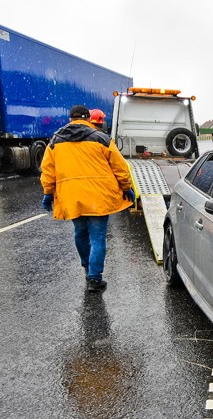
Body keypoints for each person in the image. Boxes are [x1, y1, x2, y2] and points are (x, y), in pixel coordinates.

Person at [40, 105, 135, 292]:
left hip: (72, 196)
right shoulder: (102, 138)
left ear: (70, 119)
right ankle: (94, 278)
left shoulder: (55, 141)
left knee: (80, 233)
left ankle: (86, 266)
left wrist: (48, 193)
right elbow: (120, 167)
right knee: (98, 237)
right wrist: (127, 187)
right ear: (88, 119)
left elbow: (48, 171)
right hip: (98, 196)